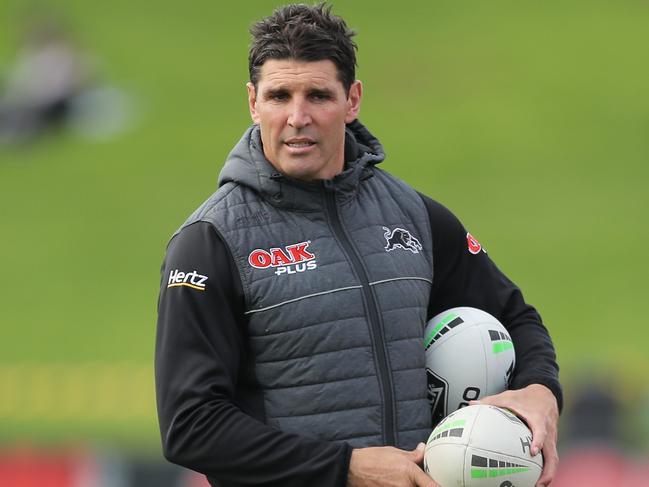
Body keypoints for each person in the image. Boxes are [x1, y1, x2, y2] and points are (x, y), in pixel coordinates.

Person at [155, 4, 561, 487]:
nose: (297, 117)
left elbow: (516, 317)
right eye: (279, 95)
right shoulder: (209, 243)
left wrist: (541, 391)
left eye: (318, 95)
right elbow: (191, 427)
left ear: (352, 100)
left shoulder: (414, 216)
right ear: (253, 102)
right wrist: (346, 468)